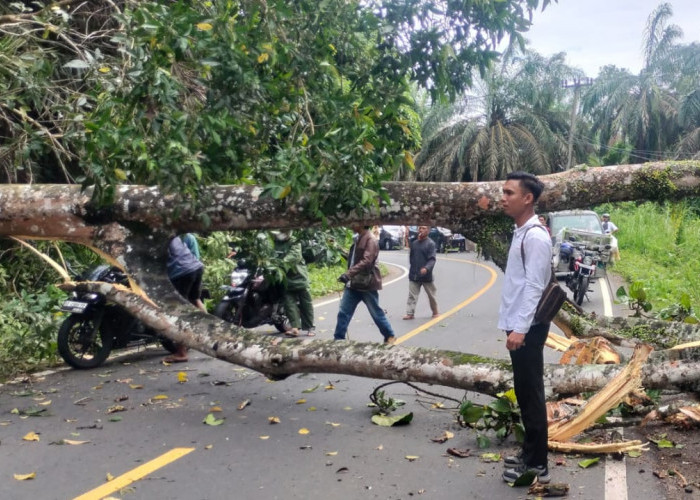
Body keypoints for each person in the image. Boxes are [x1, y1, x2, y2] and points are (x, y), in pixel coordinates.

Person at [499, 171, 552, 484]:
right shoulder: (521, 231)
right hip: (519, 323)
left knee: (530, 392)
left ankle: (537, 465)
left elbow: (534, 285)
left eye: (509, 193)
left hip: (527, 326)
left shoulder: (534, 236)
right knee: (524, 389)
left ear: (527, 198)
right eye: (503, 192)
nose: (503, 198)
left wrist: (519, 329)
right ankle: (530, 452)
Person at [334, 224, 396, 344]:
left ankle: (390, 335)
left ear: (361, 223)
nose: (351, 224)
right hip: (353, 283)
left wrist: (348, 274)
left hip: (366, 283)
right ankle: (338, 339)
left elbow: (367, 261)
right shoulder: (358, 238)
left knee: (375, 312)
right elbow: (354, 259)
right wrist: (338, 248)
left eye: (354, 222)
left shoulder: (370, 239)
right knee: (343, 312)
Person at [165, 235, 207, 363]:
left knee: (177, 312)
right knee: (195, 299)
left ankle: (181, 353)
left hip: (180, 272)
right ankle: (211, 335)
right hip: (195, 267)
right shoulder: (171, 233)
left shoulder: (151, 239)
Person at [273, 230, 316, 337]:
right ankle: (295, 328)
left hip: (299, 277)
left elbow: (294, 256)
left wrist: (279, 263)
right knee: (289, 304)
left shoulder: (295, 242)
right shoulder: (276, 244)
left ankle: (310, 327)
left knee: (306, 304)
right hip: (285, 278)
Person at [403, 225, 439, 320]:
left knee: (431, 295)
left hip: (426, 275)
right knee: (412, 295)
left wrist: (426, 268)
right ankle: (410, 313)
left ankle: (435, 311)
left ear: (428, 230)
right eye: (420, 228)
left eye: (424, 228)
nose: (421, 230)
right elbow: (411, 257)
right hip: (414, 274)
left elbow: (432, 259)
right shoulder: (414, 243)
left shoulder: (430, 244)